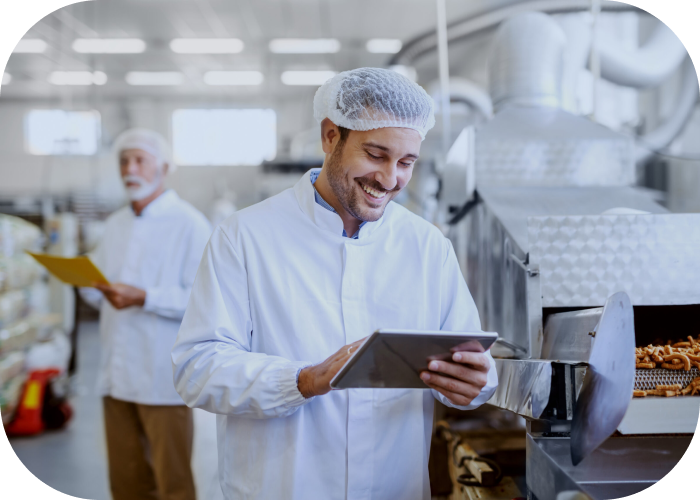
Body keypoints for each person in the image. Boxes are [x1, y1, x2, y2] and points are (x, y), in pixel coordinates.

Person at [172, 68, 498, 500]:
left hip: (393, 489)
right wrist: (302, 380)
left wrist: (475, 385)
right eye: (376, 154)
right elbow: (197, 368)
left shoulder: (427, 246)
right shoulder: (245, 237)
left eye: (406, 163)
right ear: (330, 136)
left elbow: (470, 362)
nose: (390, 179)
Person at [80, 128, 211, 500]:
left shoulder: (189, 224)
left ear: (164, 168)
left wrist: (144, 297)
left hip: (161, 378)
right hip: (116, 373)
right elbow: (98, 287)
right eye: (124, 161)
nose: (129, 169)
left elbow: (203, 300)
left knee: (173, 484)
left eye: (140, 160)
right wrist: (88, 285)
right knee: (126, 481)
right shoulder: (116, 224)